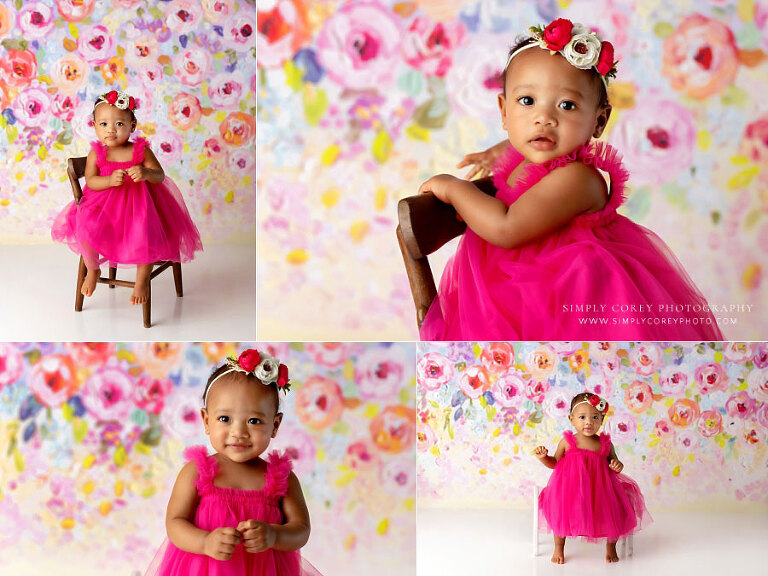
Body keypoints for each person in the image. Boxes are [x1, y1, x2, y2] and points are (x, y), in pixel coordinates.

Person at [417, 19, 724, 340]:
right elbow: (528, 146)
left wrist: (455, 188)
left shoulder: (577, 179)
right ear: (504, 111)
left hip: (575, 312)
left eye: (567, 105)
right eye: (527, 101)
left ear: (599, 121)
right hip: (516, 297)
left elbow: (506, 229)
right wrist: (501, 150)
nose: (544, 118)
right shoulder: (531, 154)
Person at [145, 349, 321, 575]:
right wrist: (205, 542)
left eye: (254, 421)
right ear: (207, 421)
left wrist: (274, 535)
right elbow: (175, 523)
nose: (238, 432)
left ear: (275, 425)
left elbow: (301, 530)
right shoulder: (197, 472)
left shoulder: (281, 478)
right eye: (225, 419)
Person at [52, 89, 202, 305]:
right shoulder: (97, 153)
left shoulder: (141, 152)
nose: (111, 130)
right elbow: (92, 180)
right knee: (85, 224)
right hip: (104, 209)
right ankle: (93, 269)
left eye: (119, 124)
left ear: (132, 126)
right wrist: (109, 181)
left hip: (140, 207)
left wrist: (147, 173)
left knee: (145, 233)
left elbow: (159, 175)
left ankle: (141, 281)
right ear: (93, 126)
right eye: (103, 124)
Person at [534, 392, 651, 564]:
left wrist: (617, 465)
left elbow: (615, 462)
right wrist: (544, 457)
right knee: (561, 514)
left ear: (601, 419)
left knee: (615, 512)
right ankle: (559, 547)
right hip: (570, 490)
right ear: (571, 419)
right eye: (582, 417)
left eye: (595, 417)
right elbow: (555, 463)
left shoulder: (605, 444)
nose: (589, 422)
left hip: (600, 490)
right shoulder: (567, 442)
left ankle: (611, 547)